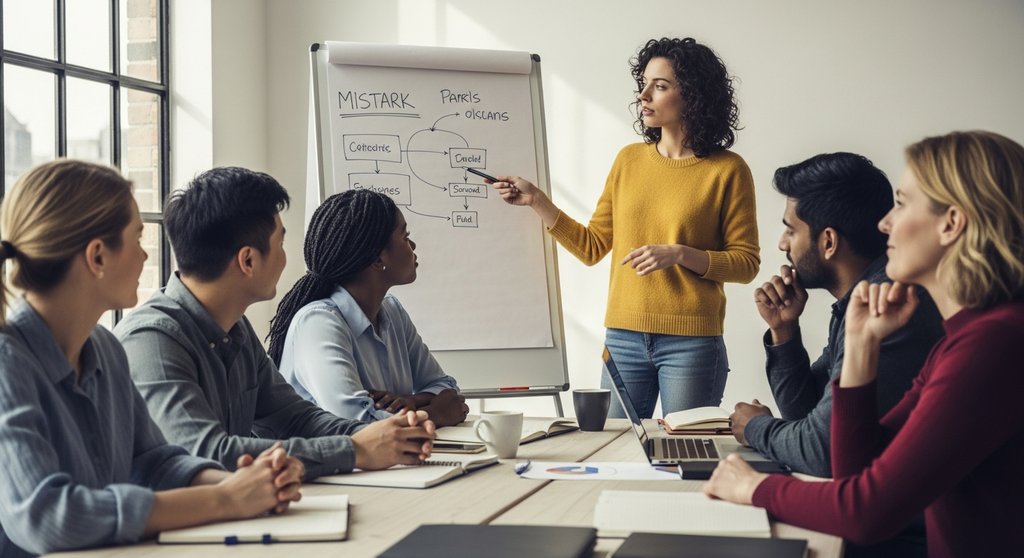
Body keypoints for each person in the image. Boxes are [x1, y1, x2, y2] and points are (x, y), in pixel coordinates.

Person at [705, 131, 1024, 558]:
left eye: (903, 204)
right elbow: (856, 468)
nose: (885, 223)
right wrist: (859, 345)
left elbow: (865, 511)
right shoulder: (962, 340)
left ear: (951, 223)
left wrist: (753, 486)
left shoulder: (993, 345)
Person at [0, 160, 303, 557]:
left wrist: (247, 481)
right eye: (138, 239)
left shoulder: (106, 349)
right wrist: (225, 500)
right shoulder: (9, 365)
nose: (146, 258)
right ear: (97, 257)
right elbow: (48, 516)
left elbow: (153, 462)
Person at [491, 37, 759, 418]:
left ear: (694, 96)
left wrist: (680, 253)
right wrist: (537, 199)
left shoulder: (727, 170)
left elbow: (746, 263)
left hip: (692, 342)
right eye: (644, 84)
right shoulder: (629, 161)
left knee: (684, 456)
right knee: (616, 454)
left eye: (660, 86)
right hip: (623, 338)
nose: (644, 95)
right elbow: (592, 246)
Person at [115, 167, 435, 479]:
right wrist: (354, 450)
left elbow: (296, 418)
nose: (285, 258)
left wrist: (386, 435)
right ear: (248, 261)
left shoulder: (235, 329)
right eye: (281, 243)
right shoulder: (152, 340)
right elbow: (206, 453)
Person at [730, 153, 944, 478]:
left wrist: (755, 429)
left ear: (828, 241)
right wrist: (784, 331)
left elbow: (823, 450)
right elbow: (811, 413)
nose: (781, 243)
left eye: (790, 230)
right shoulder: (859, 297)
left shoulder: (887, 305)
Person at [266, 189, 468, 426]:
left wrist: (410, 401)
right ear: (378, 259)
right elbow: (357, 422)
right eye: (405, 237)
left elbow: (445, 387)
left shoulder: (392, 311)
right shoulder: (319, 323)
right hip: (332, 463)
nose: (412, 245)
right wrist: (437, 414)